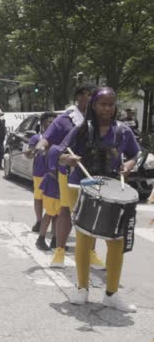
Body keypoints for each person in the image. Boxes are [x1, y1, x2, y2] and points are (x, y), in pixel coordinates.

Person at [50, 87, 139, 312]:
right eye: (102, 104)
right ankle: (82, 288)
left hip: (113, 190)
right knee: (84, 238)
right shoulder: (82, 130)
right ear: (93, 106)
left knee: (116, 241)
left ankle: (111, 294)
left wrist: (128, 165)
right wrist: (67, 159)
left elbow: (134, 154)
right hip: (83, 187)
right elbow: (58, 153)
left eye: (111, 104)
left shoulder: (123, 131)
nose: (107, 108)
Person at [36, 84, 105, 269]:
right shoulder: (65, 119)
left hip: (94, 172)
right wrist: (40, 147)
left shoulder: (101, 121)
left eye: (93, 96)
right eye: (87, 95)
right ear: (78, 97)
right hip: (69, 171)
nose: (90, 99)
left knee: (92, 213)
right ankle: (59, 251)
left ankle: (91, 253)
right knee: (65, 211)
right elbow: (48, 138)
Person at [25, 112, 57, 251]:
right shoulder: (36, 138)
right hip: (39, 173)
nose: (52, 124)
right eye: (49, 121)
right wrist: (30, 153)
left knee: (55, 206)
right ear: (43, 123)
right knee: (39, 198)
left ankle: (55, 235)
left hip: (54, 175)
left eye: (54, 122)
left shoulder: (58, 138)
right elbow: (29, 154)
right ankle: (39, 221)